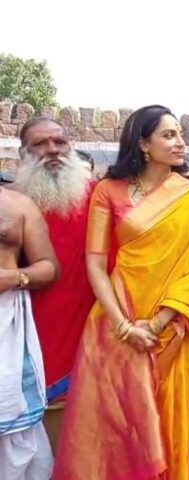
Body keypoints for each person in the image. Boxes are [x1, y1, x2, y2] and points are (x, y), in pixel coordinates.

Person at [51, 105, 189, 480]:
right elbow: (94, 262)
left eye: (180, 133)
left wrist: (159, 323)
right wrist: (125, 326)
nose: (180, 142)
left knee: (176, 422)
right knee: (118, 424)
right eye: (168, 135)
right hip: (116, 322)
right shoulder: (107, 192)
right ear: (143, 143)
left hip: (173, 327)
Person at [13, 118, 101, 454]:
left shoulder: (101, 199)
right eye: (40, 144)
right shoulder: (11, 205)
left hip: (94, 345)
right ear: (24, 154)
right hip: (29, 343)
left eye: (59, 142)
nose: (52, 150)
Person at [0, 185, 59, 480]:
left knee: (13, 438)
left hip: (5, 324)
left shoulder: (17, 204)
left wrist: (12, 278)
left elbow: (48, 267)